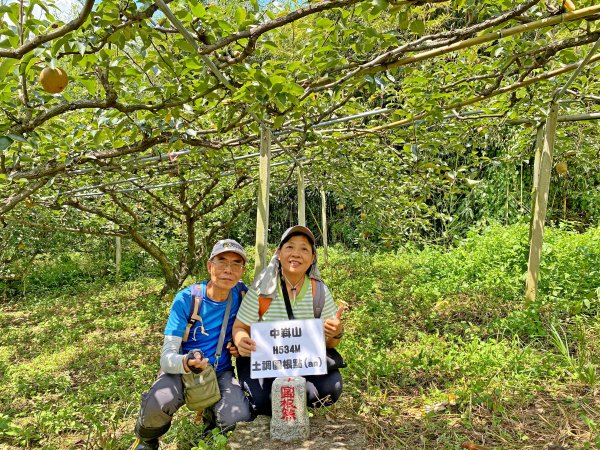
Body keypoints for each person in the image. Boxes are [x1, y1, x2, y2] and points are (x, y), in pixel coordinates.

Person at [131, 239, 252, 450]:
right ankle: (147, 440)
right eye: (221, 261)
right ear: (209, 266)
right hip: (181, 369)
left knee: (238, 419)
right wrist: (186, 362)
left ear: (242, 270)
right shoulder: (187, 298)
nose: (228, 269)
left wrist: (237, 342)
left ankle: (211, 420)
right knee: (159, 402)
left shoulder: (242, 295)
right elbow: (167, 357)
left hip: (220, 370)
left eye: (236, 264)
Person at [232, 225, 344, 416]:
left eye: (304, 249)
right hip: (266, 363)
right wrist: (241, 340)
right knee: (262, 402)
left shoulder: (319, 291)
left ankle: (294, 400)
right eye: (290, 247)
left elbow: (329, 342)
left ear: (313, 257)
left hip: (303, 363)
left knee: (329, 389)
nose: (296, 254)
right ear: (278, 253)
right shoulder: (263, 288)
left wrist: (336, 332)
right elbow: (240, 326)